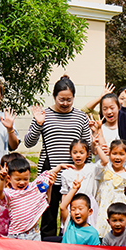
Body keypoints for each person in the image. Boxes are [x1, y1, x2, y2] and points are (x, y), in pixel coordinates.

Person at [24, 75, 91, 239]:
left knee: (75, 213)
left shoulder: (81, 117)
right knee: (48, 214)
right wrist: (38, 123)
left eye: (69, 99)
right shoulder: (43, 115)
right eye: (62, 99)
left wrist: (86, 171)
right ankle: (48, 246)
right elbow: (28, 143)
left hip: (74, 175)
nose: (65, 103)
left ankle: (73, 243)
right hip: (50, 172)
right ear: (54, 97)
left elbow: (87, 147)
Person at [0, 156, 67, 242]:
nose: (22, 182)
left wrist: (59, 167)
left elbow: (46, 175)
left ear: (29, 175)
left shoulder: (34, 187)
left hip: (34, 233)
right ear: (9, 178)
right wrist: (1, 179)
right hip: (16, 235)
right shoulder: (9, 194)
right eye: (18, 179)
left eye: (25, 179)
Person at [94, 140, 126, 238]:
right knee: (101, 224)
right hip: (103, 203)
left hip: (118, 204)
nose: (117, 157)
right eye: (114, 153)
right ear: (109, 154)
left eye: (121, 154)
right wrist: (96, 145)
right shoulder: (105, 168)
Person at [59, 139, 104, 229]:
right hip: (73, 207)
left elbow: (105, 161)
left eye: (81, 152)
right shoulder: (66, 173)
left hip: (89, 205)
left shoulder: (91, 168)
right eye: (75, 152)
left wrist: (96, 146)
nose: (78, 155)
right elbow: (64, 194)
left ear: (87, 154)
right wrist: (64, 213)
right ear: (70, 153)